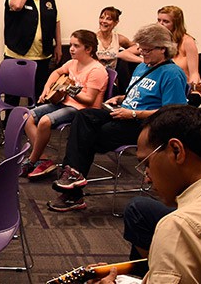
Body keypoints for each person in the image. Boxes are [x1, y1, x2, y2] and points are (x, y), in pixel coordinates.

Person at [47, 23, 188, 212]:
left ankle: (73, 191)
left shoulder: (172, 74)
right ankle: (73, 174)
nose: (142, 54)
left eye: (146, 50)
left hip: (145, 125)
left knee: (90, 136)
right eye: (141, 49)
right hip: (123, 113)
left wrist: (133, 113)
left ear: (162, 49)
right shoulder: (143, 67)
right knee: (83, 116)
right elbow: (139, 94)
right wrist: (122, 98)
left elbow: (174, 113)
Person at [92, 105, 201, 283]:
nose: (146, 178)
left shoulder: (178, 227)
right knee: (139, 209)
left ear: (176, 151)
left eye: (146, 163)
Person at [22, 30, 108, 179]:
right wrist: (47, 88)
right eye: (72, 45)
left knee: (44, 121)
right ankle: (43, 157)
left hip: (82, 110)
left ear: (88, 49)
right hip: (65, 102)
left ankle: (33, 160)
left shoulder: (97, 70)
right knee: (26, 116)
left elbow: (89, 100)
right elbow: (56, 73)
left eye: (76, 46)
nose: (71, 49)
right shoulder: (73, 63)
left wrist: (69, 90)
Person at [4, 0, 63, 105]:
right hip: (17, 55)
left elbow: (56, 21)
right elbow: (17, 5)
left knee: (39, 96)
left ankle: (35, 126)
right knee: (12, 97)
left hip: (42, 56)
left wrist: (59, 45)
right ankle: (9, 127)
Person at [95, 7, 137, 95]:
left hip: (110, 79)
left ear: (115, 23)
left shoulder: (119, 38)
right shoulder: (92, 38)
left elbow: (136, 48)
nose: (104, 21)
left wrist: (119, 54)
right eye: (102, 17)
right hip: (95, 77)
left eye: (108, 19)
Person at [157, 6, 200, 84]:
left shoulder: (187, 41)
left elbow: (194, 73)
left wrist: (191, 90)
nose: (160, 24)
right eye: (159, 20)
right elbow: (127, 53)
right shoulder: (157, 40)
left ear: (176, 24)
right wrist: (143, 60)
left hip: (181, 87)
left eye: (166, 21)